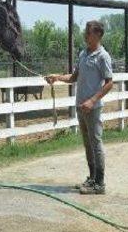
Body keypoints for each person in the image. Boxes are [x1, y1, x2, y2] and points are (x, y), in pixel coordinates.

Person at [45, 20, 113, 194]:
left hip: (92, 108)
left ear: (98, 35)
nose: (85, 35)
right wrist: (57, 77)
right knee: (88, 144)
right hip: (81, 107)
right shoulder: (83, 53)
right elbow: (74, 77)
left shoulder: (102, 56)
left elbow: (109, 83)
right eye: (86, 32)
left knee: (96, 143)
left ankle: (100, 183)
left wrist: (92, 101)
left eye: (88, 33)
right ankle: (91, 178)